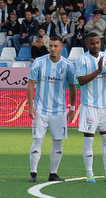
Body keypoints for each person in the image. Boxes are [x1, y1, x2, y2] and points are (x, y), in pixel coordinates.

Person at [73, 32, 106, 183]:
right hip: (89, 106)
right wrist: (98, 71)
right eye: (92, 43)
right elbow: (80, 81)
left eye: (97, 43)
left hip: (104, 105)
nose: (95, 45)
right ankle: (90, 174)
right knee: (89, 141)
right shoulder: (82, 59)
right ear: (87, 44)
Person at [26, 37, 72, 183]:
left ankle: (53, 173)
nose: (53, 48)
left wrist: (73, 108)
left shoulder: (68, 66)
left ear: (61, 48)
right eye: (51, 46)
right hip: (40, 109)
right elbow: (31, 84)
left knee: (58, 142)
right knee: (37, 140)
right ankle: (33, 172)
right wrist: (31, 106)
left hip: (59, 111)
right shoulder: (39, 63)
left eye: (56, 46)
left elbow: (73, 87)